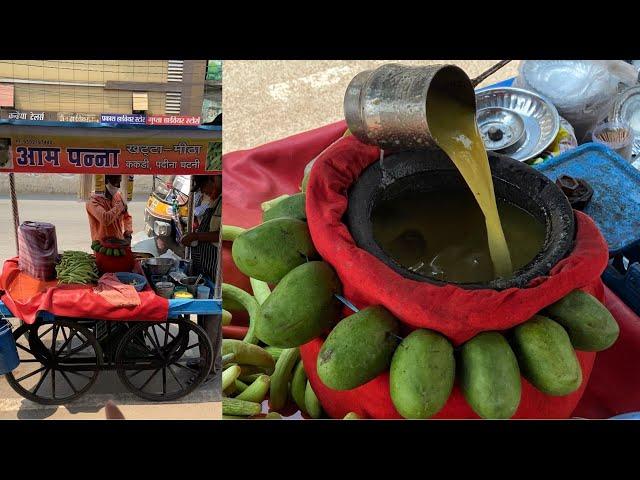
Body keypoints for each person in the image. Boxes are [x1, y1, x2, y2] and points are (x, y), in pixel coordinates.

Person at [180, 175, 222, 378]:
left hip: (215, 267)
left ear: (214, 180)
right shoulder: (211, 200)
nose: (204, 192)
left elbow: (219, 235)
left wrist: (196, 236)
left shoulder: (224, 201)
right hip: (202, 267)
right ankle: (205, 358)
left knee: (213, 319)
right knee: (204, 318)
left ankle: (211, 366)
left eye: (205, 187)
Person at [86, 175, 133, 242]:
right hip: (102, 245)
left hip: (119, 241)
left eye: (119, 182)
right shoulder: (92, 200)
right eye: (116, 183)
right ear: (107, 181)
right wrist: (120, 205)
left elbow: (127, 217)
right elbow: (105, 219)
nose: (119, 186)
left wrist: (128, 232)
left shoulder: (118, 196)